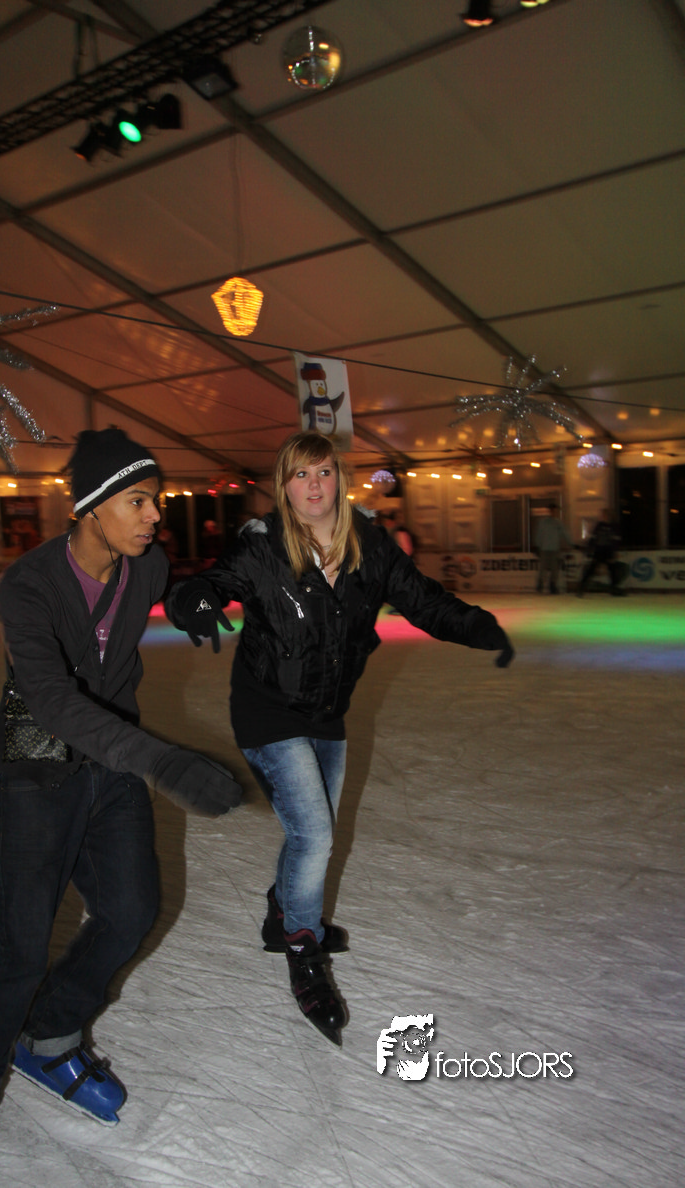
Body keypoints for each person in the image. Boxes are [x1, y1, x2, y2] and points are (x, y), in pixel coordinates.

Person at [0, 428, 242, 1188]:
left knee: (131, 910)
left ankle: (50, 1037)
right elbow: (49, 699)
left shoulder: (149, 565)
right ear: (91, 507)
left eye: (155, 501)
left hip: (112, 762)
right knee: (20, 940)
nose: (154, 516)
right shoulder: (28, 586)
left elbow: (166, 593)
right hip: (39, 765)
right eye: (138, 502)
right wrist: (162, 760)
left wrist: (191, 595)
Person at [165, 431, 513, 1047]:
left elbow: (422, 600)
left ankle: (283, 910)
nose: (314, 485)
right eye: (300, 474)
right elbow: (213, 582)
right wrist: (191, 598)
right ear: (284, 485)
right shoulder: (264, 546)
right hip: (266, 710)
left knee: (310, 832)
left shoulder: (369, 546)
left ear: (339, 480)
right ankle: (304, 949)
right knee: (315, 834)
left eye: (323, 472)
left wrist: (479, 626)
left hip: (327, 712)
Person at [577, 507, 624, 596]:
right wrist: (588, 548)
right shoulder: (599, 526)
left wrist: (614, 551)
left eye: (605, 515)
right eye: (603, 515)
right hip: (599, 551)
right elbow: (593, 538)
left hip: (608, 551)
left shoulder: (614, 526)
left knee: (612, 571)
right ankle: (581, 588)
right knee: (591, 570)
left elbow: (616, 541)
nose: (604, 516)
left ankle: (614, 589)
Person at [533, 503, 572, 594]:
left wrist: (571, 543)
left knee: (554, 569)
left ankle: (552, 585)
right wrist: (537, 545)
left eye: (556, 511)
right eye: (553, 510)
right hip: (545, 548)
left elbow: (564, 534)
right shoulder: (543, 522)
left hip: (555, 549)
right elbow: (539, 534)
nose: (554, 512)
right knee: (543, 568)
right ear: (550, 511)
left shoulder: (558, 523)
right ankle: (540, 584)